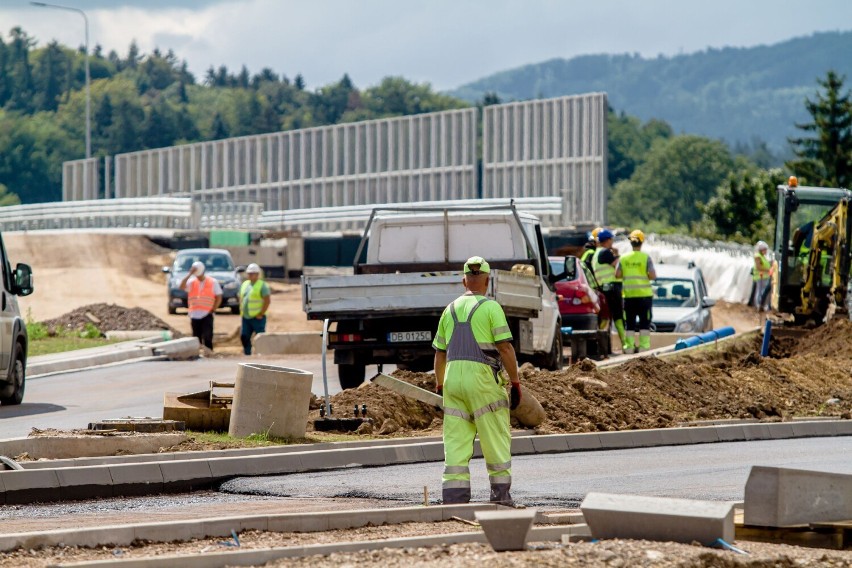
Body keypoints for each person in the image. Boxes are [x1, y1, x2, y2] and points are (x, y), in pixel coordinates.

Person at [433, 256, 521, 506]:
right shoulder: (491, 307)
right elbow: (504, 348)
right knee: (495, 437)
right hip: (483, 382)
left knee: (456, 441)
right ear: (487, 280)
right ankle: (501, 496)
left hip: (452, 381)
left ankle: (454, 498)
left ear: (464, 281)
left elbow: (439, 353)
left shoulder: (448, 310)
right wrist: (515, 383)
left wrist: (440, 386)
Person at [616, 229, 656, 353]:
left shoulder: (623, 258)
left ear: (631, 243)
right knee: (644, 323)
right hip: (644, 296)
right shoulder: (645, 258)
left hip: (628, 296)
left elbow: (617, 274)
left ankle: (629, 348)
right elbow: (652, 275)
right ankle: (644, 347)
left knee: (630, 323)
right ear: (642, 242)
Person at [592, 229, 628, 353]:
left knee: (606, 317)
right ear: (607, 240)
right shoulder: (605, 253)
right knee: (618, 316)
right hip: (612, 288)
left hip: (604, 288)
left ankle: (600, 346)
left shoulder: (597, 253)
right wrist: (617, 255)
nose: (613, 242)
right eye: (611, 239)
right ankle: (626, 344)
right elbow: (618, 265)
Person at [179, 260, 222, 350]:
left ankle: (209, 354)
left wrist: (213, 309)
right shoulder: (191, 282)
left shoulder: (212, 282)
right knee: (196, 338)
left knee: (207, 337)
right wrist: (189, 274)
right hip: (194, 314)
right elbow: (181, 286)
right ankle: (198, 355)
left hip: (207, 314)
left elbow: (219, 296)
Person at [239, 263, 272, 355]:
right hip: (246, 317)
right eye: (249, 273)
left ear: (257, 274)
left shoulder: (262, 285)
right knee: (244, 336)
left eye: (252, 273)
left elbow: (267, 301)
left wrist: (261, 313)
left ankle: (262, 353)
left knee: (260, 337)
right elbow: (241, 298)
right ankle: (247, 353)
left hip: (258, 317)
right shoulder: (245, 284)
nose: (250, 275)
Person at [752, 241, 772, 312]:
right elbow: (758, 267)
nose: (766, 251)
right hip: (760, 276)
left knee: (763, 291)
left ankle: (762, 305)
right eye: (765, 249)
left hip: (764, 276)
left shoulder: (762, 256)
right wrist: (768, 270)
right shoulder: (758, 256)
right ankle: (758, 304)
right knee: (759, 291)